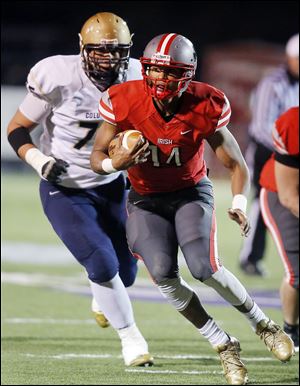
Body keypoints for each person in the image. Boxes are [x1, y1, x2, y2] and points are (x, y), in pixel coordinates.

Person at [91, 33, 295, 385]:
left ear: (187, 75)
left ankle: (263, 324)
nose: (160, 79)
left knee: (205, 267)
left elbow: (237, 165)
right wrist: (115, 164)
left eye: (170, 73)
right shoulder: (124, 100)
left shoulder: (206, 103)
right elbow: (96, 156)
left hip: (189, 193)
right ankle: (223, 343)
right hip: (144, 198)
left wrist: (239, 203)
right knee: (162, 274)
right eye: (154, 70)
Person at [6, 12, 153, 367]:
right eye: (101, 51)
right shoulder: (58, 76)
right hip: (66, 187)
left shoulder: (137, 76)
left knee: (127, 273)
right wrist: (39, 161)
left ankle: (102, 293)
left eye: (117, 51)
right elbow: (17, 128)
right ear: (83, 49)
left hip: (111, 184)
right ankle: (131, 339)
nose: (109, 59)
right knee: (102, 264)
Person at [239, 33, 299, 276]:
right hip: (270, 150)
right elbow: (261, 127)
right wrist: (286, 148)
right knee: (261, 201)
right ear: (290, 58)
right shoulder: (273, 83)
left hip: (293, 151)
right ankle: (250, 256)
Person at [259, 106, 299, 352]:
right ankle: (292, 329)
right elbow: (288, 196)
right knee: (298, 273)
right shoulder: (294, 124)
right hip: (283, 195)